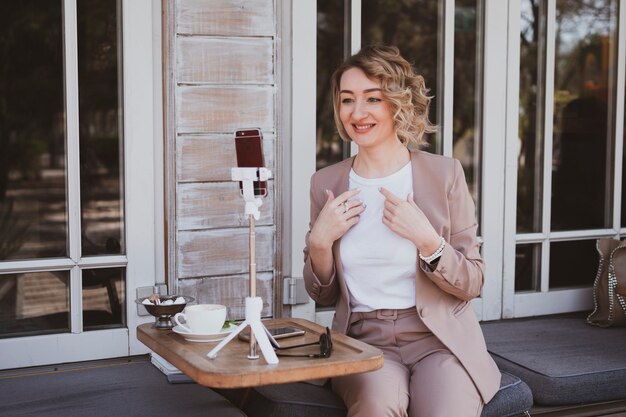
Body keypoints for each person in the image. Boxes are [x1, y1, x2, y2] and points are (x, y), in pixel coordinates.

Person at [303, 45, 501, 417]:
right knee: (376, 407)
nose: (357, 113)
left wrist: (428, 241)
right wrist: (319, 242)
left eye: (372, 98)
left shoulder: (444, 174)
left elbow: (472, 282)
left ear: (397, 103)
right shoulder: (326, 183)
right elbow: (322, 294)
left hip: (439, 341)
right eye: (347, 100)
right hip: (363, 339)